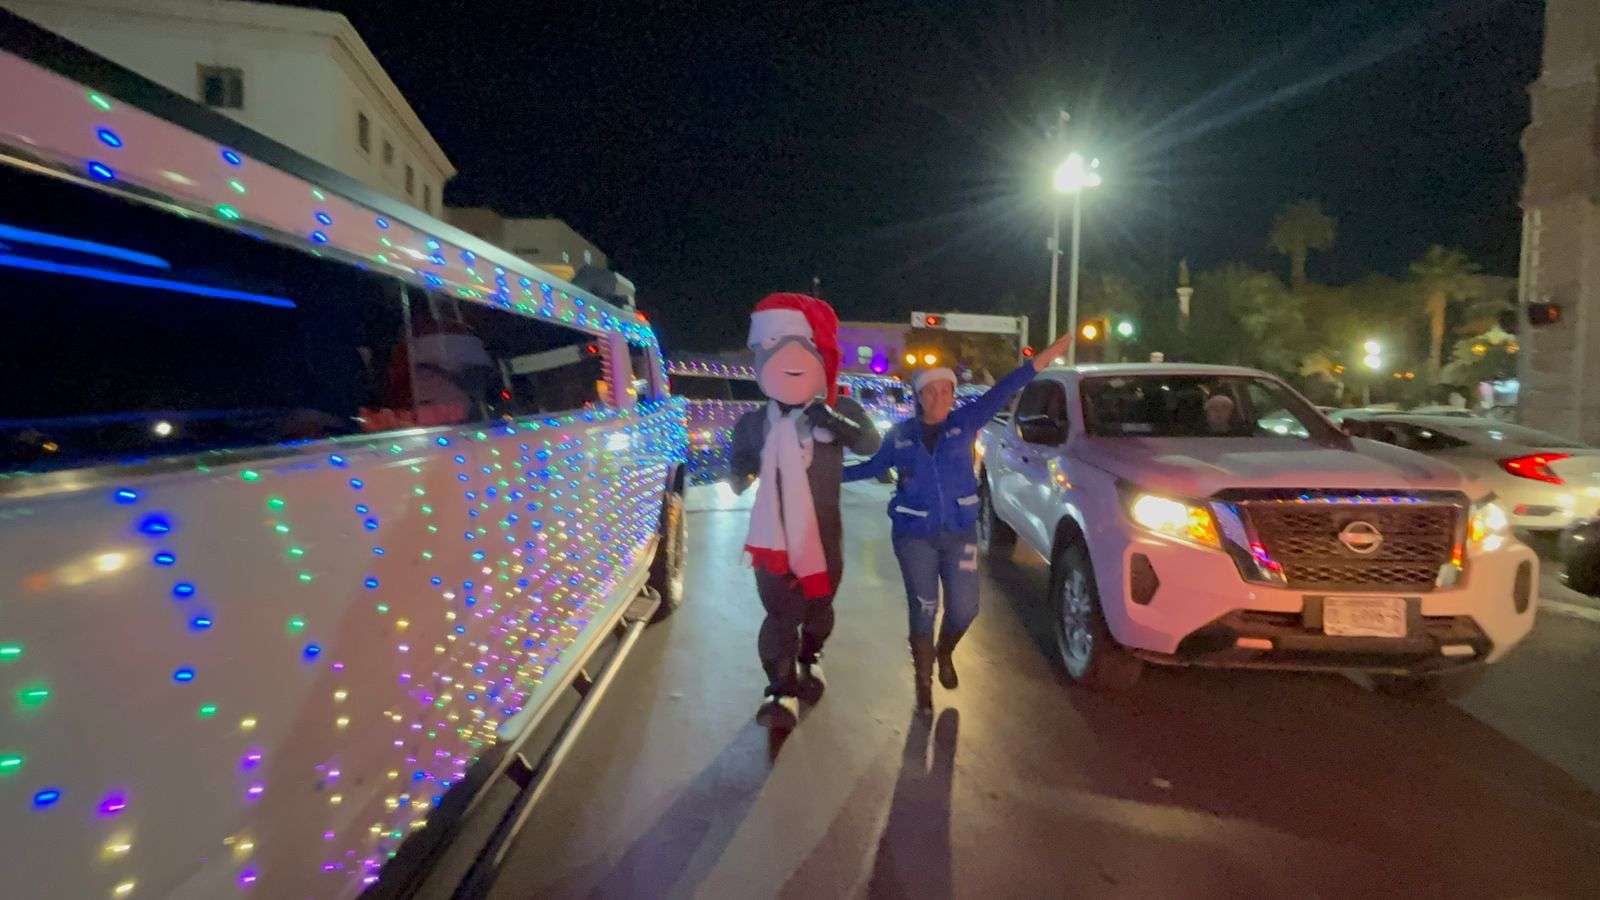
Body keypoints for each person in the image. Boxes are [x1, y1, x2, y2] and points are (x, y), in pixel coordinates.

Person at [845, 330, 1078, 713]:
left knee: (965, 608)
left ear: (953, 395)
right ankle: (923, 683)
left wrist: (1047, 355)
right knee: (924, 606)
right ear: (919, 397)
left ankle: (945, 651)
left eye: (945, 390)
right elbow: (871, 466)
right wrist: (824, 474)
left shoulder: (966, 421)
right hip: (914, 535)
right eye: (930, 391)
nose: (939, 397)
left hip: (959, 533)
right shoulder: (901, 436)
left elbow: (1006, 388)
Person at [729, 293, 881, 730]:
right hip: (773, 540)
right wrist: (741, 471)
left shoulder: (839, 409)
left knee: (818, 609)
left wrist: (830, 419)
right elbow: (738, 467)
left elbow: (870, 444)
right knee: (779, 614)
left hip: (824, 536)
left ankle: (811, 654)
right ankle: (780, 691)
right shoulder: (753, 423)